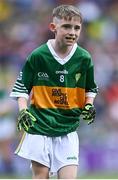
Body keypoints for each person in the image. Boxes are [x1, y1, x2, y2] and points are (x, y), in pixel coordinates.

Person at [10, 4, 98, 179]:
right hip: (39, 128)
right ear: (53, 27)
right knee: (41, 177)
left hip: (68, 130)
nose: (72, 32)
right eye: (66, 26)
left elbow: (91, 88)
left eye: (76, 27)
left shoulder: (84, 58)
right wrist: (23, 110)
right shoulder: (38, 55)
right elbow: (22, 88)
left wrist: (88, 105)